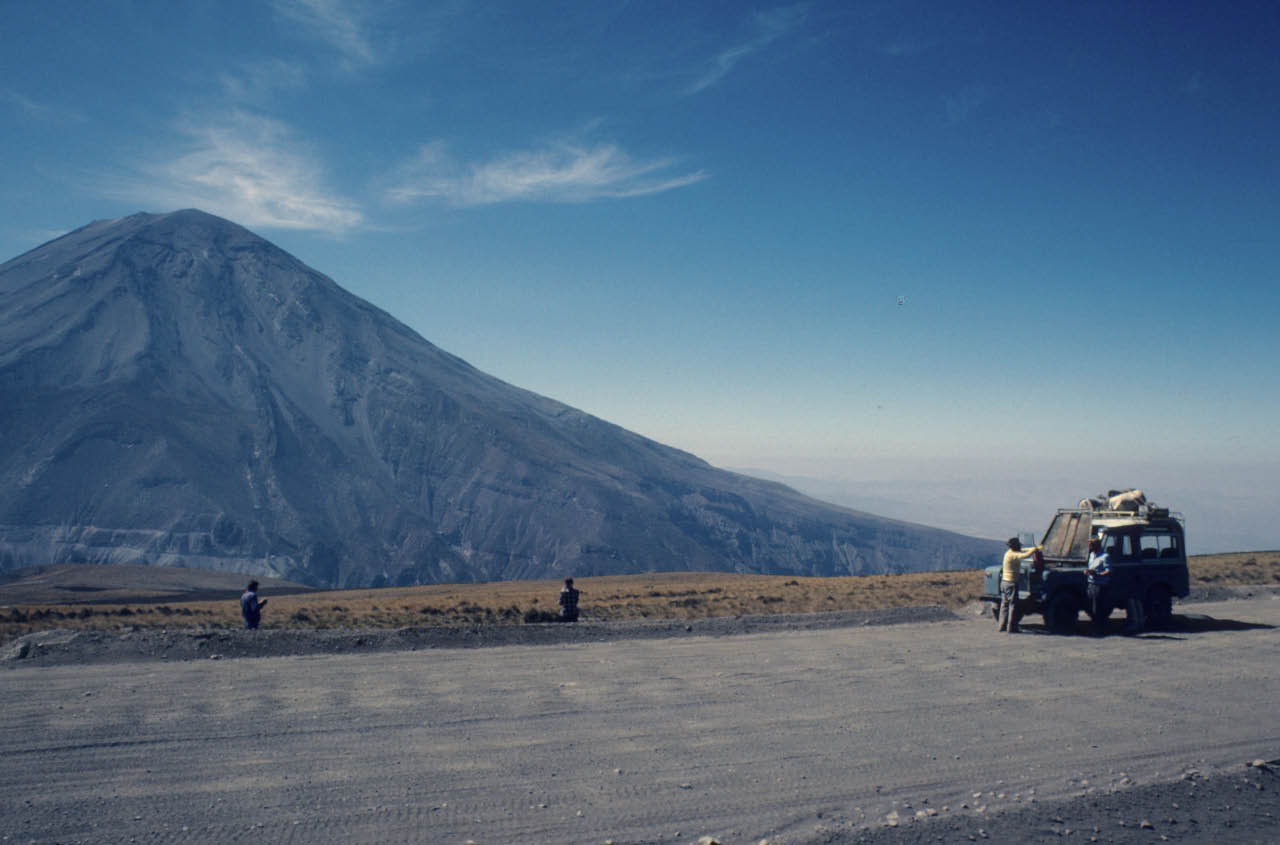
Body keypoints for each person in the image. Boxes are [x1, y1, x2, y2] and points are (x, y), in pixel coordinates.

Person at [998, 538, 1040, 633]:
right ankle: (1011, 628)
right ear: (1016, 546)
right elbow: (1025, 554)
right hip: (1011, 583)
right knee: (1013, 605)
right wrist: (1035, 549)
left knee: (1004, 605)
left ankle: (1002, 626)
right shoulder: (1014, 555)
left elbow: (1023, 551)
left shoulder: (1008, 553)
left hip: (1004, 582)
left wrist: (1033, 547)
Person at [1086, 537, 1111, 636]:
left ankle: (1100, 630)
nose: (1089, 547)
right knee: (1091, 608)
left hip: (1100, 585)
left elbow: (1108, 571)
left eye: (1090, 545)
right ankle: (1096, 628)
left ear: (1095, 546)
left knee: (1098, 609)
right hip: (1091, 584)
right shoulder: (1091, 555)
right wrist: (1088, 572)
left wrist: (1098, 574)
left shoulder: (1105, 556)